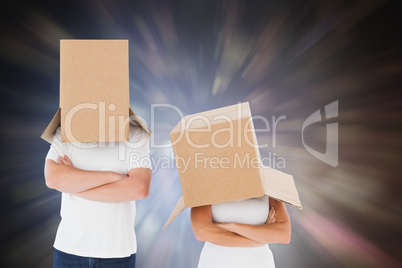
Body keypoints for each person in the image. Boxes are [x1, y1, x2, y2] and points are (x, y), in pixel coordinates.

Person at [44, 124, 152, 268]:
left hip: (118, 254)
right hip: (70, 251)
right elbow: (53, 178)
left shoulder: (134, 133)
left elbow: (140, 189)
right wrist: (113, 176)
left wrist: (74, 186)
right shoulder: (66, 131)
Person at [190, 195, 291, 268]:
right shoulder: (205, 186)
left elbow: (284, 234)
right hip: (216, 262)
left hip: (259, 263)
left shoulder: (268, 186)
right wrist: (258, 240)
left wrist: (232, 226)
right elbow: (202, 232)